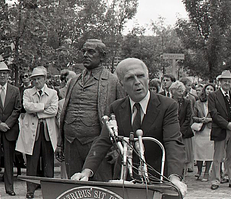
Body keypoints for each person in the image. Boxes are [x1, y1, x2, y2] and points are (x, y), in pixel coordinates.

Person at [71, 58, 187, 197]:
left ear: (148, 77)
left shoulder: (167, 106)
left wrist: (174, 178)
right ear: (121, 84)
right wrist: (86, 172)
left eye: (140, 76)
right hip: (125, 178)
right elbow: (102, 141)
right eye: (130, 78)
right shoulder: (116, 108)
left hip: (160, 178)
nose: (137, 82)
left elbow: (173, 141)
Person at [55, 39, 125, 182]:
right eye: (84, 51)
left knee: (100, 190)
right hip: (71, 143)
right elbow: (65, 112)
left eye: (91, 52)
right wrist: (60, 143)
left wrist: (117, 148)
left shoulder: (113, 82)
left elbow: (122, 117)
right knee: (74, 189)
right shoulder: (73, 81)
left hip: (98, 145)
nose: (86, 55)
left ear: (103, 56)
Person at [16, 66, 58, 199]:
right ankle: (30, 191)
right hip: (32, 131)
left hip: (47, 131)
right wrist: (44, 106)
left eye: (39, 78)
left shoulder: (53, 93)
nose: (36, 81)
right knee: (31, 162)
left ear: (45, 79)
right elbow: (27, 107)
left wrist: (37, 111)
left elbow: (54, 111)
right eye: (34, 79)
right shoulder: (28, 92)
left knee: (48, 162)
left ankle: (50, 191)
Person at [208, 70, 231, 190]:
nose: (227, 83)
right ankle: (216, 180)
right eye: (225, 81)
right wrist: (226, 124)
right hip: (220, 129)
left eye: (229, 81)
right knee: (218, 156)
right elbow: (214, 113)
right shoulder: (213, 96)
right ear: (220, 82)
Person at [0, 62, 21, 196]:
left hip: (9, 130)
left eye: (4, 73)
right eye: (0, 73)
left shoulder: (15, 90)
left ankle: (9, 187)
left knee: (8, 160)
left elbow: (17, 109)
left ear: (8, 75)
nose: (2, 75)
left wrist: (7, 124)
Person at [169, 81, 194, 175]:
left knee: (184, 155)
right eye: (178, 91)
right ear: (173, 91)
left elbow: (189, 117)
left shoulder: (187, 102)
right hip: (171, 132)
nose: (180, 93)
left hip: (184, 133)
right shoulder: (168, 101)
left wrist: (181, 130)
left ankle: (182, 174)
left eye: (182, 91)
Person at [192, 83, 215, 182]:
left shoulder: (216, 103)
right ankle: (199, 170)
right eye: (208, 89)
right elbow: (193, 116)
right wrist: (200, 119)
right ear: (204, 90)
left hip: (210, 129)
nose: (209, 91)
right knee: (199, 151)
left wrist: (209, 119)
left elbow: (218, 116)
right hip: (200, 129)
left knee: (209, 151)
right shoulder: (198, 103)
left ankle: (207, 172)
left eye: (211, 89)